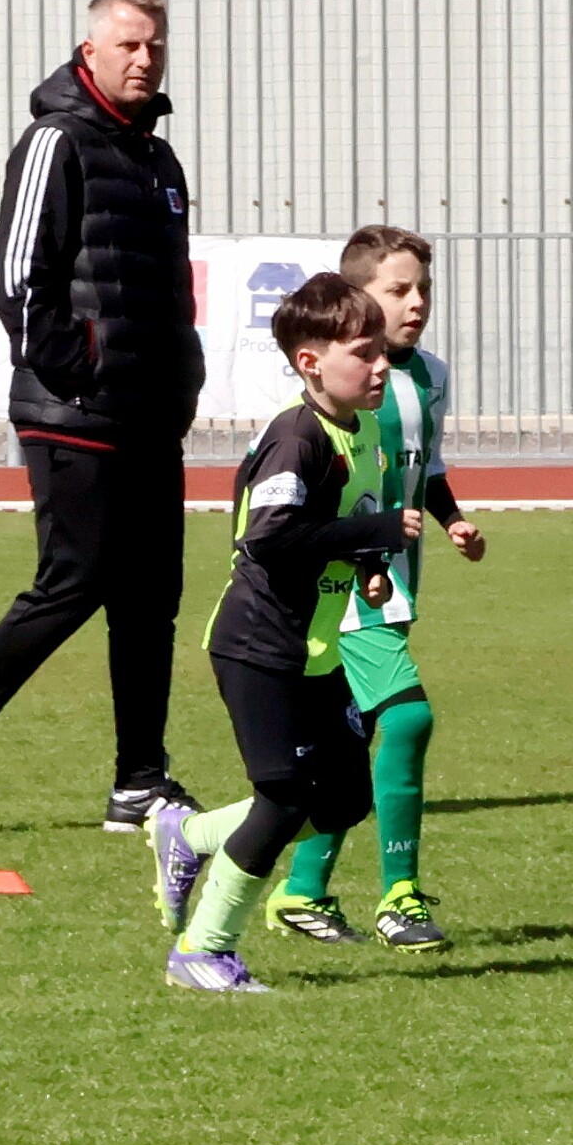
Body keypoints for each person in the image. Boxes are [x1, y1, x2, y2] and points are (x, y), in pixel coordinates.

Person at [0, 0, 205, 836]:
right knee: (75, 580)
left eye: (156, 45)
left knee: (150, 599)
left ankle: (139, 780)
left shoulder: (158, 160)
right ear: (90, 51)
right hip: (74, 410)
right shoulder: (55, 141)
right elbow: (16, 276)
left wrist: (182, 377)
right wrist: (78, 370)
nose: (145, 59)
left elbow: (170, 289)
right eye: (129, 44)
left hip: (151, 417)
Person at [148, 274, 418, 995]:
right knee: (285, 798)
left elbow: (337, 524)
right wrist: (374, 530)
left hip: (316, 652)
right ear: (310, 362)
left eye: (382, 350)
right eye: (364, 353)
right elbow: (268, 537)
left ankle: (191, 836)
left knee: (344, 800)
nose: (381, 366)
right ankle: (203, 950)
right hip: (260, 648)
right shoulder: (297, 437)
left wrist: (368, 565)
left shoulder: (361, 429)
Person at [267, 226, 485, 952]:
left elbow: (429, 465)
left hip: (395, 583)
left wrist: (453, 521)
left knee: (348, 742)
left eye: (424, 288)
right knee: (410, 718)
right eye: (399, 289)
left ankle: (302, 889)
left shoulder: (431, 375)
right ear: (357, 297)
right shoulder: (339, 389)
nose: (417, 302)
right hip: (349, 589)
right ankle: (399, 896)